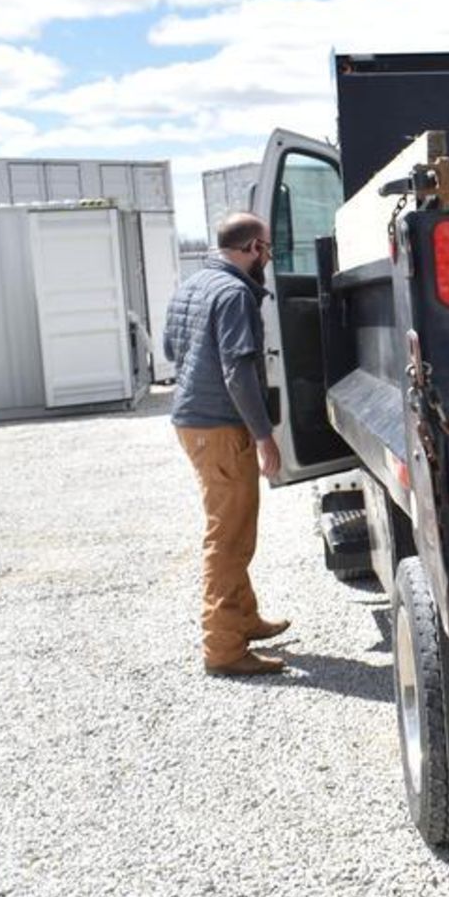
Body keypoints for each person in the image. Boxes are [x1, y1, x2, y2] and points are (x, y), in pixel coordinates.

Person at [163, 211, 291, 676]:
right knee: (228, 536)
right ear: (253, 249)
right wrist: (264, 437)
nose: (269, 258)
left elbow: (171, 349)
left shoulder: (193, 286)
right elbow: (238, 371)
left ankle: (243, 618)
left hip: (194, 423)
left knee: (236, 526)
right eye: (268, 249)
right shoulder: (236, 293)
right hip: (219, 427)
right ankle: (223, 648)